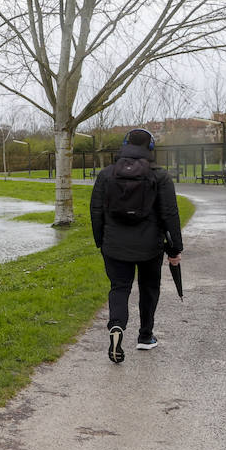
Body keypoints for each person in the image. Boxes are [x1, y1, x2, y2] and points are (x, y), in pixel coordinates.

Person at [89, 128, 184, 364]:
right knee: (149, 288)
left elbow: (96, 211)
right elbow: (170, 214)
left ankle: (117, 327)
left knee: (119, 288)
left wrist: (100, 240)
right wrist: (175, 249)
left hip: (115, 246)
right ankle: (145, 336)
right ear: (151, 148)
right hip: (150, 246)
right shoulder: (159, 176)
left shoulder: (106, 175)